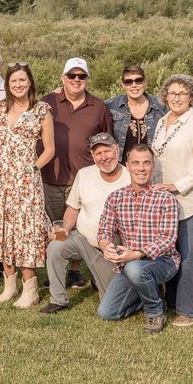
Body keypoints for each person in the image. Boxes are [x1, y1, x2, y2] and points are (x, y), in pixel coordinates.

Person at [0, 62, 55, 309]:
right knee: (2, 228)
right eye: (14, 81)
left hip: (26, 180)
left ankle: (30, 288)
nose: (18, 85)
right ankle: (9, 285)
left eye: (22, 80)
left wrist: (31, 168)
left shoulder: (42, 110)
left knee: (24, 231)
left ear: (29, 82)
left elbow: (49, 149)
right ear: (8, 85)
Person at [150, 74, 193, 328]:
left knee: (190, 255)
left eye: (183, 93)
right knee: (171, 251)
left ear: (192, 97)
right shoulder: (162, 121)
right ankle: (172, 302)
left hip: (191, 197)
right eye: (172, 93)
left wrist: (177, 186)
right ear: (165, 96)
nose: (177, 98)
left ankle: (189, 310)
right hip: (165, 200)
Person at [40, 56, 112, 289]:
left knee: (80, 226)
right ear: (63, 78)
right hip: (51, 176)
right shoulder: (48, 101)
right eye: (72, 75)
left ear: (87, 79)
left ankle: (75, 269)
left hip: (84, 178)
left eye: (82, 76)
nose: (76, 80)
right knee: (56, 225)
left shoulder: (98, 106)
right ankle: (57, 270)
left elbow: (107, 141)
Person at [40, 133, 131, 314]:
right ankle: (58, 299)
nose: (104, 157)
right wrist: (64, 228)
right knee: (56, 246)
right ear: (92, 156)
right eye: (98, 153)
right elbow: (73, 208)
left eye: (107, 151)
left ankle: (102, 279)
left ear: (117, 150)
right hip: (83, 240)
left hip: (114, 249)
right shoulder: (84, 174)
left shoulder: (130, 177)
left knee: (111, 303)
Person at [96, 145, 181, 334]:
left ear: (152, 167)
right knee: (106, 313)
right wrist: (106, 246)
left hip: (162, 261)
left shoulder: (165, 199)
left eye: (146, 163)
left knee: (135, 267)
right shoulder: (116, 197)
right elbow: (104, 230)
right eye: (135, 163)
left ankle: (155, 311)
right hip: (129, 264)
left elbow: (168, 238)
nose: (141, 168)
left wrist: (136, 254)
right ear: (127, 166)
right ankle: (150, 294)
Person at [104, 64, 166, 163]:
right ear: (123, 85)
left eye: (138, 80)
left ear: (145, 82)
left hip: (151, 171)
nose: (134, 85)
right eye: (128, 82)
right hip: (122, 170)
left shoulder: (160, 106)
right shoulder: (111, 106)